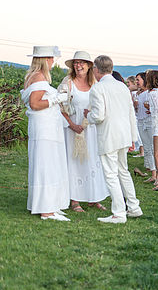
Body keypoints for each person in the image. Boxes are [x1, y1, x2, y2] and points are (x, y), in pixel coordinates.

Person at [84, 55, 143, 223]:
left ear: (96, 69)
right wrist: (133, 137)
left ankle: (118, 213)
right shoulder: (123, 87)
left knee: (111, 174)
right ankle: (133, 207)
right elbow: (131, 113)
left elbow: (99, 116)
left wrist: (89, 116)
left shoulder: (97, 89)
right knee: (123, 171)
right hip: (124, 135)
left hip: (108, 136)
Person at [20, 46, 70, 221]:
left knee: (48, 164)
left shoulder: (34, 77)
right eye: (51, 59)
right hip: (44, 129)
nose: (52, 62)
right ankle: (46, 210)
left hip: (45, 128)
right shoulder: (39, 77)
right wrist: (57, 98)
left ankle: (49, 205)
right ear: (44, 60)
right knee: (46, 165)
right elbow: (35, 104)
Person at [59, 51, 109, 213]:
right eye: (76, 63)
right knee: (75, 161)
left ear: (89, 66)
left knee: (93, 161)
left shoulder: (95, 83)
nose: (78, 65)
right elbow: (59, 106)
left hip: (91, 129)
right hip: (73, 130)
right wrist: (72, 124)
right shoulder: (68, 82)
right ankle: (75, 199)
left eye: (82, 62)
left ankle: (94, 198)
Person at [135, 72, 157, 183]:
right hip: (140, 121)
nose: (136, 82)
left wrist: (151, 108)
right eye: (136, 80)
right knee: (147, 147)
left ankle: (157, 172)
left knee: (153, 147)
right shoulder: (137, 94)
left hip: (149, 121)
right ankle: (152, 171)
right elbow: (137, 110)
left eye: (138, 79)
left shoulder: (150, 93)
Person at [126, 76, 145, 160]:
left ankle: (141, 152)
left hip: (136, 115)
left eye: (128, 83)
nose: (127, 85)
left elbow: (136, 105)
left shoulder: (134, 93)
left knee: (138, 135)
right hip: (136, 115)